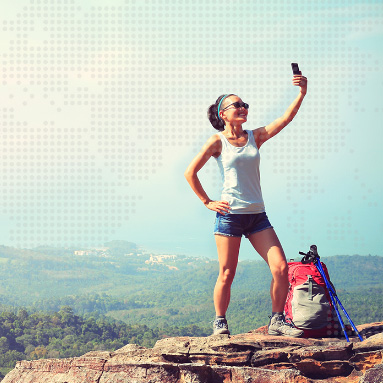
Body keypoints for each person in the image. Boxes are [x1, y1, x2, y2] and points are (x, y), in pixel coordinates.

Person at [184, 72, 308, 337]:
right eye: (236, 105)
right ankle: (220, 321)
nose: (243, 108)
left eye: (244, 105)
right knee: (227, 273)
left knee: (281, 268)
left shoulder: (256, 136)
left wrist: (301, 93)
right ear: (223, 114)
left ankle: (276, 320)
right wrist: (207, 201)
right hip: (230, 216)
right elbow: (189, 173)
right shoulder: (216, 141)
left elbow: (285, 119)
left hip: (257, 215)